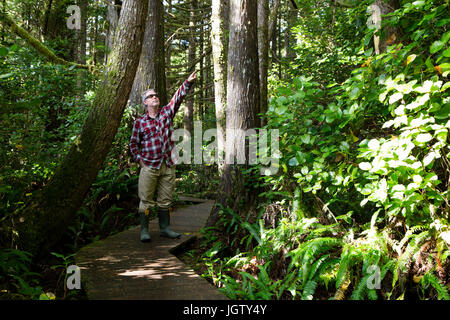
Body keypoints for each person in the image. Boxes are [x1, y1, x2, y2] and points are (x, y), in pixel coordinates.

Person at [130, 71, 197, 242]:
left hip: (167, 164)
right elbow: (133, 144)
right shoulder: (140, 122)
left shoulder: (166, 113)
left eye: (156, 95)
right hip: (149, 166)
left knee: (165, 201)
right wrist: (140, 160)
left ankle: (165, 228)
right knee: (145, 201)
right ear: (145, 102)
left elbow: (177, 98)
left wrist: (187, 83)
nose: (155, 97)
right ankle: (144, 230)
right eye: (151, 96)